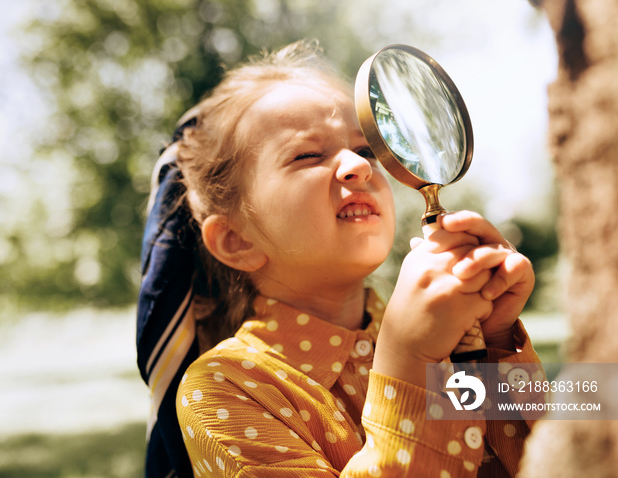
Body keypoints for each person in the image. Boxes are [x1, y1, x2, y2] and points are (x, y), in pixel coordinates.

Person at [144, 40, 540, 477]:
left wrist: (496, 341)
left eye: (368, 149)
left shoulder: (448, 335)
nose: (360, 165)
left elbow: (551, 462)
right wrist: (409, 362)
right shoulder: (226, 388)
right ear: (237, 241)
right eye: (308, 155)